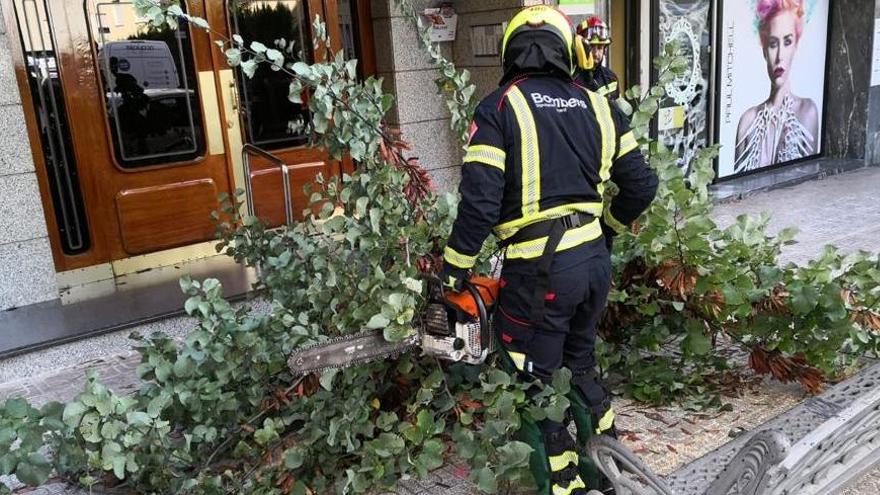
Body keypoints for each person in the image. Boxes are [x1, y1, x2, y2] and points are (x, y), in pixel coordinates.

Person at [438, 6, 658, 494]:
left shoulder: (498, 108)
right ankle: (607, 471)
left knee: (533, 378)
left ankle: (560, 486)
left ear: (509, 50)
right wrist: (608, 229)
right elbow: (642, 185)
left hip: (540, 272)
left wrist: (452, 272)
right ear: (566, 50)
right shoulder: (601, 106)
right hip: (594, 263)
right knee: (579, 364)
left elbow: (479, 203)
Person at [734, 0, 819, 173]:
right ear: (764, 49)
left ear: (796, 45)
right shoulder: (747, 121)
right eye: (773, 44)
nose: (780, 56)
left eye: (787, 42)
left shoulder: (807, 112)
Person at [574, 16, 619, 100]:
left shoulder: (611, 78)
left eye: (600, 47)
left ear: (605, 50)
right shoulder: (571, 79)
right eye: (591, 47)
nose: (595, 53)